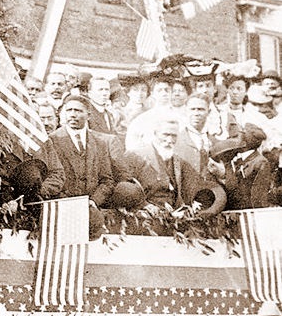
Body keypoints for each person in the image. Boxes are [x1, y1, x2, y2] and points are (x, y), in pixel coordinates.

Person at [47, 94, 113, 226]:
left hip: (92, 212)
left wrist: (94, 201)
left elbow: (107, 180)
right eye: (69, 110)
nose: (72, 115)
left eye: (78, 111)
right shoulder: (52, 140)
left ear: (88, 115)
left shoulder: (99, 143)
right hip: (62, 210)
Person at [120, 117, 212, 211]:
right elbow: (124, 187)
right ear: (155, 133)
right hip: (142, 215)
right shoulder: (135, 156)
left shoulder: (178, 162)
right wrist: (145, 205)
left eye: (174, 136)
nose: (169, 140)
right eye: (166, 134)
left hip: (172, 215)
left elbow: (192, 188)